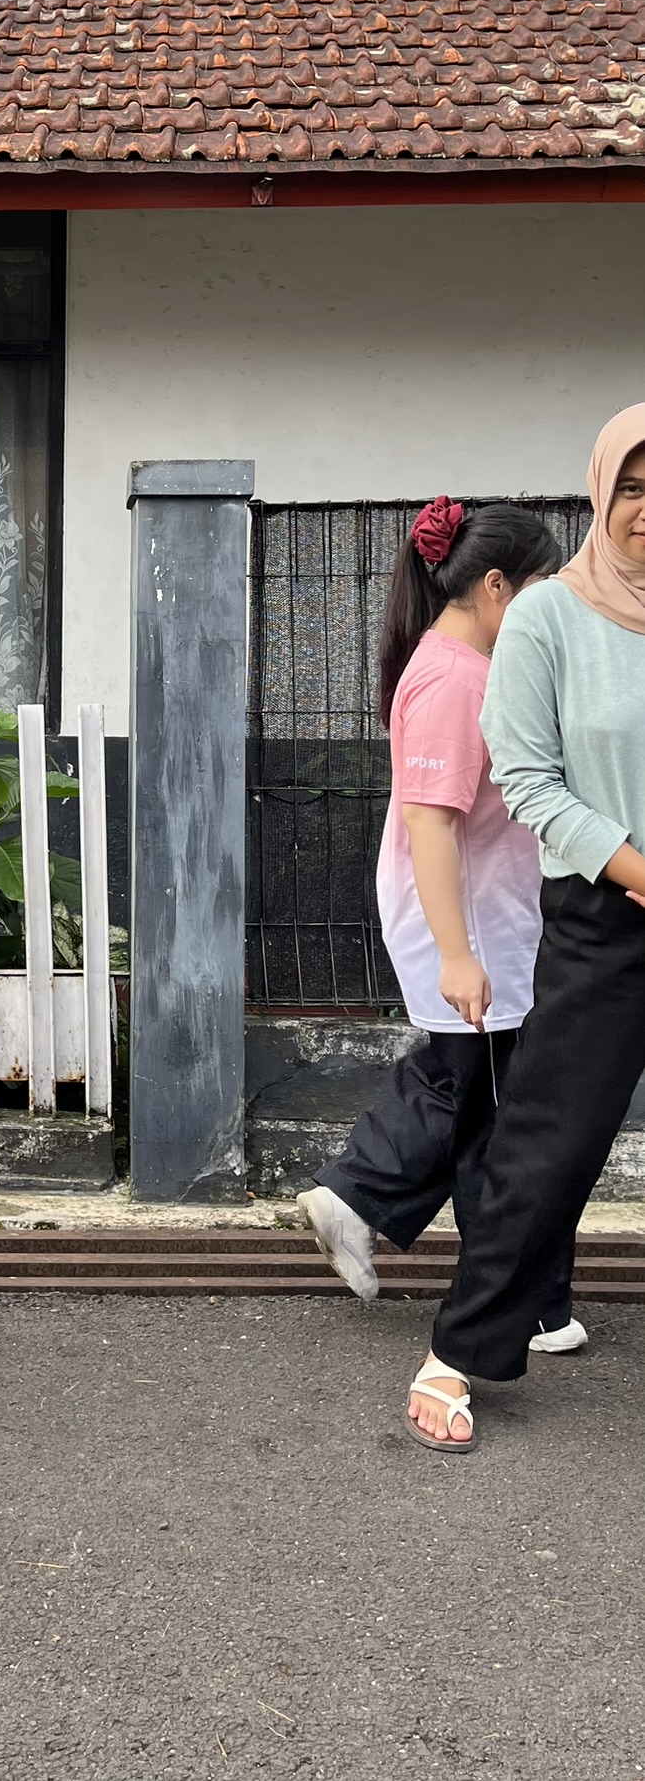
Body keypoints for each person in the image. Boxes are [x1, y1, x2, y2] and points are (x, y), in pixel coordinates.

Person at [408, 406, 645, 1451]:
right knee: (550, 1143)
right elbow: (527, 777)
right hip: (605, 914)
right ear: (601, 493)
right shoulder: (551, 616)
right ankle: (457, 1351)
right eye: (632, 485)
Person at [299, 498, 584, 1361]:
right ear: (496, 586)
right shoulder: (454, 679)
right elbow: (430, 823)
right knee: (501, 1117)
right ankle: (521, 1298)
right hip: (474, 927)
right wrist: (458, 956)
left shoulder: (459, 665)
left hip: (488, 920)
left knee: (481, 1103)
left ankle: (366, 1200)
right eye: (542, 587)